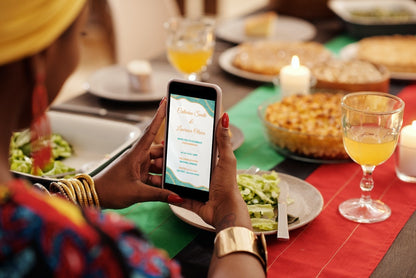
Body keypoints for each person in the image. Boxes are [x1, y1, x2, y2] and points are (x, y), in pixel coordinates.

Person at [0, 1, 266, 277]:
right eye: (80, 36)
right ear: (40, 58)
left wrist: (93, 191)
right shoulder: (94, 251)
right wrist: (232, 216)